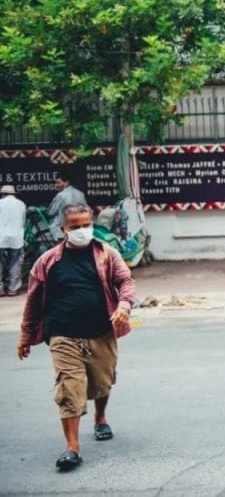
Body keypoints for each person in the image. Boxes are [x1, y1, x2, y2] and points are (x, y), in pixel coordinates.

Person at [17, 203, 135, 472]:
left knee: (102, 382)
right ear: (63, 229)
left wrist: (124, 306)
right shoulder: (47, 261)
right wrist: (26, 335)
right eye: (75, 227)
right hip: (62, 334)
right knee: (69, 388)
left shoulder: (107, 254)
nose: (81, 230)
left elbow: (125, 281)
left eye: (86, 225)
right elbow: (33, 301)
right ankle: (72, 447)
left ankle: (100, 415)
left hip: (101, 330)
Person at [0, 185, 26, 297]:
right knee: (15, 262)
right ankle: (12, 288)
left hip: (1, 237)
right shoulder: (21, 204)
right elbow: (23, 221)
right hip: (16, 238)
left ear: (3, 194)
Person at [48, 171, 87, 241]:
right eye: (55, 183)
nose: (56, 185)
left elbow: (51, 212)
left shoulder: (61, 195)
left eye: (58, 182)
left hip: (64, 229)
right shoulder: (80, 194)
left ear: (66, 183)